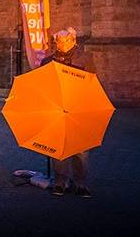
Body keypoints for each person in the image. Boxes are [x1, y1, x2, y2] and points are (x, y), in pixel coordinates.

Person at [43, 27, 93, 198]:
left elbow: (91, 83)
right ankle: (60, 183)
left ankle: (80, 184)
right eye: (58, 41)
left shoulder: (85, 59)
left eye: (65, 41)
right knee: (59, 149)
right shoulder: (48, 61)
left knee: (81, 149)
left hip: (79, 108)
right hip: (57, 108)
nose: (61, 44)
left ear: (73, 41)